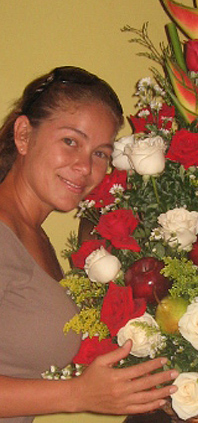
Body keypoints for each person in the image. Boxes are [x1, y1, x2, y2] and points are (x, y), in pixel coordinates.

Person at [0, 66, 178, 423]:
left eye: (100, 153)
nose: (84, 166)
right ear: (23, 135)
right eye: (71, 141)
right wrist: (77, 394)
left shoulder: (35, 238)